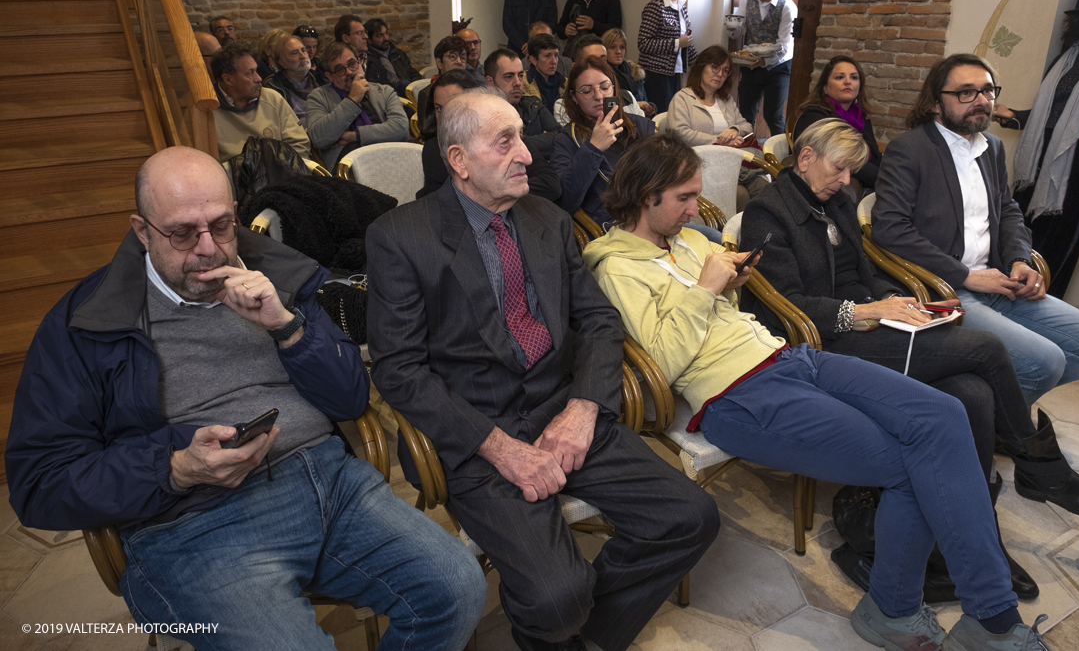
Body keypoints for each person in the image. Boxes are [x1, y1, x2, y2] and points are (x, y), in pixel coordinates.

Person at [583, 131, 1051, 651]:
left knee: (943, 415)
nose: (699, 209)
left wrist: (725, 287)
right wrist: (704, 291)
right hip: (735, 396)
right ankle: (974, 618)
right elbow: (662, 366)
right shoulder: (616, 269)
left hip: (789, 356)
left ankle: (952, 608)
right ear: (647, 196)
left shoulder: (689, 241)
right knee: (915, 464)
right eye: (685, 198)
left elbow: (722, 309)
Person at [6, 147, 487, 651]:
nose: (208, 248)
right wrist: (174, 469)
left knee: (455, 588)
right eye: (182, 233)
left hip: (333, 485)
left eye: (221, 224)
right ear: (142, 231)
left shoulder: (280, 274)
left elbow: (349, 400)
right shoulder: (85, 322)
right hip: (195, 524)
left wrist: (288, 329)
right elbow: (40, 483)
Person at [366, 89, 719, 651]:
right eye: (504, 142)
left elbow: (600, 322)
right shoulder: (402, 236)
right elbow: (399, 370)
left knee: (692, 516)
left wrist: (584, 408)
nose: (526, 154)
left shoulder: (548, 220)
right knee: (557, 595)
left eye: (522, 139)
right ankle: (559, 618)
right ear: (458, 161)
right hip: (480, 430)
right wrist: (500, 448)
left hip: (565, 409)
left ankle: (586, 636)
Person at [743, 119, 1079, 590]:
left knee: (971, 394)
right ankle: (1040, 468)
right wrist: (867, 310)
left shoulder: (838, 201)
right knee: (988, 348)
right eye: (840, 168)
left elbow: (861, 273)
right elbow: (784, 306)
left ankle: (978, 541)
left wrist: (902, 303)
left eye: (853, 171)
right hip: (816, 343)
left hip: (865, 325)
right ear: (805, 157)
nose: (848, 180)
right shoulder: (766, 213)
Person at [873, 54, 1079, 516]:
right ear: (937, 103)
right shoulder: (911, 149)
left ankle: (998, 423)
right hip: (945, 288)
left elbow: (1009, 210)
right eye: (966, 92)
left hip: (1000, 279)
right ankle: (1018, 440)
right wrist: (965, 275)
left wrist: (1019, 259)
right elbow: (889, 228)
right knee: (1045, 360)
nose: (981, 100)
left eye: (988, 90)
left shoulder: (993, 148)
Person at [996, 5, 1079, 298]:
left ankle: (1043, 305)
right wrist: (1014, 113)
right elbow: (1051, 115)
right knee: (1021, 229)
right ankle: (1004, 293)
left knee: (1060, 237)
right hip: (1039, 159)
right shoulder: (1068, 57)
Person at [417, 74, 560, 203]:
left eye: (455, 105)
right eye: (439, 109)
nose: (445, 117)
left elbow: (550, 185)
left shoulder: (511, 135)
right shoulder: (434, 149)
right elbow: (440, 200)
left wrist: (502, 189)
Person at [550, 56, 655, 228]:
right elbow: (566, 201)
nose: (598, 96)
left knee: (710, 235)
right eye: (586, 90)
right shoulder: (566, 139)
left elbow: (667, 173)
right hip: (613, 225)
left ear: (614, 89)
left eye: (605, 87)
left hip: (654, 216)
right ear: (574, 97)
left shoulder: (639, 125)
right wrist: (594, 148)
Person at [668, 44, 764, 211]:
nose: (720, 74)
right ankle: (731, 235)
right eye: (715, 67)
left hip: (732, 165)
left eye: (725, 71)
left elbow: (747, 126)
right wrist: (720, 141)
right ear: (701, 67)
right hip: (699, 166)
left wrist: (734, 130)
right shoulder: (683, 98)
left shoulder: (725, 100)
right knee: (741, 195)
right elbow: (679, 133)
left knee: (765, 187)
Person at [305, 41, 408, 172]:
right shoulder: (318, 97)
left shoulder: (383, 91)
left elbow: (401, 129)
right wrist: (352, 100)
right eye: (340, 69)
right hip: (349, 168)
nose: (349, 71)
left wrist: (353, 136)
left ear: (359, 63)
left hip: (391, 159)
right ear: (329, 76)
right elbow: (320, 137)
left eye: (352, 64)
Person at [210, 41, 311, 163]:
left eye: (256, 71)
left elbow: (299, 143)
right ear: (228, 79)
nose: (259, 78)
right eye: (250, 73)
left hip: (280, 173)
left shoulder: (271, 98)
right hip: (233, 179)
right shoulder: (208, 110)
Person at [792, 55, 882, 192]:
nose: (848, 82)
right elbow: (846, 161)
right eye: (840, 77)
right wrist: (885, 181)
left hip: (868, 184)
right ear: (825, 88)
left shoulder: (861, 119)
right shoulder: (815, 116)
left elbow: (875, 157)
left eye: (854, 77)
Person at [731, 0, 797, 137]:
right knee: (745, 116)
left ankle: (784, 157)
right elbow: (740, 29)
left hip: (779, 67)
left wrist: (764, 61)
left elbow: (784, 46)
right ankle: (745, 156)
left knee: (773, 116)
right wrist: (733, 30)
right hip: (752, 65)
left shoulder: (788, 6)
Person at [638, 0, 696, 114]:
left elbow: (687, 42)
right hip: (656, 74)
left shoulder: (681, 7)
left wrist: (702, 64)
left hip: (675, 71)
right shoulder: (655, 7)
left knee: (673, 114)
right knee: (660, 115)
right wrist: (676, 43)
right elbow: (643, 43)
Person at [485, 47, 561, 157]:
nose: (518, 83)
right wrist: (542, 140)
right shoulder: (482, 117)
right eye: (508, 77)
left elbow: (561, 138)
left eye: (520, 76)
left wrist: (519, 141)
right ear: (490, 82)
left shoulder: (534, 105)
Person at [552, 35, 645, 125]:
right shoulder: (563, 108)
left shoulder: (627, 97)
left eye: (603, 60)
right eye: (587, 91)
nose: (599, 96)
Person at [264, 35, 325, 123]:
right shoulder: (273, 87)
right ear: (282, 63)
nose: (302, 56)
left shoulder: (322, 79)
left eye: (303, 50)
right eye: (294, 53)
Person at [363, 17, 422, 97]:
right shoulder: (369, 61)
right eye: (380, 35)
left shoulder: (397, 53)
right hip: (390, 98)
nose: (386, 38)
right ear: (369, 40)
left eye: (386, 33)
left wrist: (414, 86)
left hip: (409, 92)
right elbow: (377, 88)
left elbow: (412, 72)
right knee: (403, 84)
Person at [602, 28, 655, 116]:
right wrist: (634, 106)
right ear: (604, 49)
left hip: (640, 121)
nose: (618, 51)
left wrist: (650, 108)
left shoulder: (635, 73)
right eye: (613, 47)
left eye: (622, 47)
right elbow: (604, 108)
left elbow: (645, 100)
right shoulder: (602, 77)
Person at [418, 35, 470, 119]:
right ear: (439, 63)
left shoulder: (473, 90)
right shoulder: (427, 94)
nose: (459, 62)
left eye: (463, 58)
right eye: (452, 57)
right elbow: (427, 129)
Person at [522, 33, 566, 107]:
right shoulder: (522, 83)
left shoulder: (565, 84)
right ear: (533, 60)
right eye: (547, 56)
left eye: (556, 55)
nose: (554, 61)